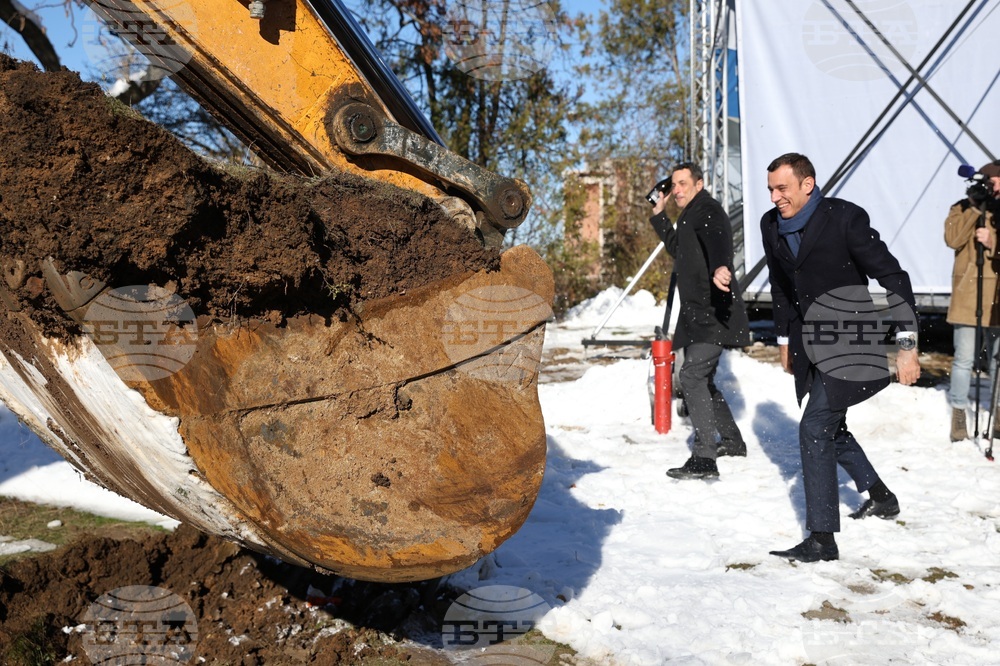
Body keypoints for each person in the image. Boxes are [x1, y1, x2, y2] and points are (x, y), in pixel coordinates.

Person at [761, 153, 921, 563]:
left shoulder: (845, 218)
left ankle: (822, 540)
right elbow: (782, 285)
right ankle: (882, 497)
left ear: (807, 184)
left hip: (851, 340)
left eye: (783, 188)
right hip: (807, 341)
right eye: (771, 189)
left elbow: (894, 278)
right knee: (831, 428)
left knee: (815, 427)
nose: (776, 196)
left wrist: (907, 345)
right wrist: (783, 340)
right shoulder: (770, 225)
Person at [649, 162, 751, 480]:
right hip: (697, 313)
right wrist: (658, 213)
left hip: (713, 311)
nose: (677, 189)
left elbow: (720, 238)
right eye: (673, 184)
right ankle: (733, 442)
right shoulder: (689, 214)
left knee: (691, 377)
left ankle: (705, 457)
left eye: (682, 183)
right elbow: (678, 248)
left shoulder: (707, 209)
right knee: (702, 380)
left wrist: (722, 265)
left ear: (699, 184)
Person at [945, 160, 1000, 442]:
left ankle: (999, 412)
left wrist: (993, 242)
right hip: (968, 294)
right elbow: (953, 239)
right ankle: (958, 413)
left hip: (997, 297)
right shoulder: (962, 207)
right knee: (964, 359)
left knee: (997, 359)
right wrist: (975, 209)